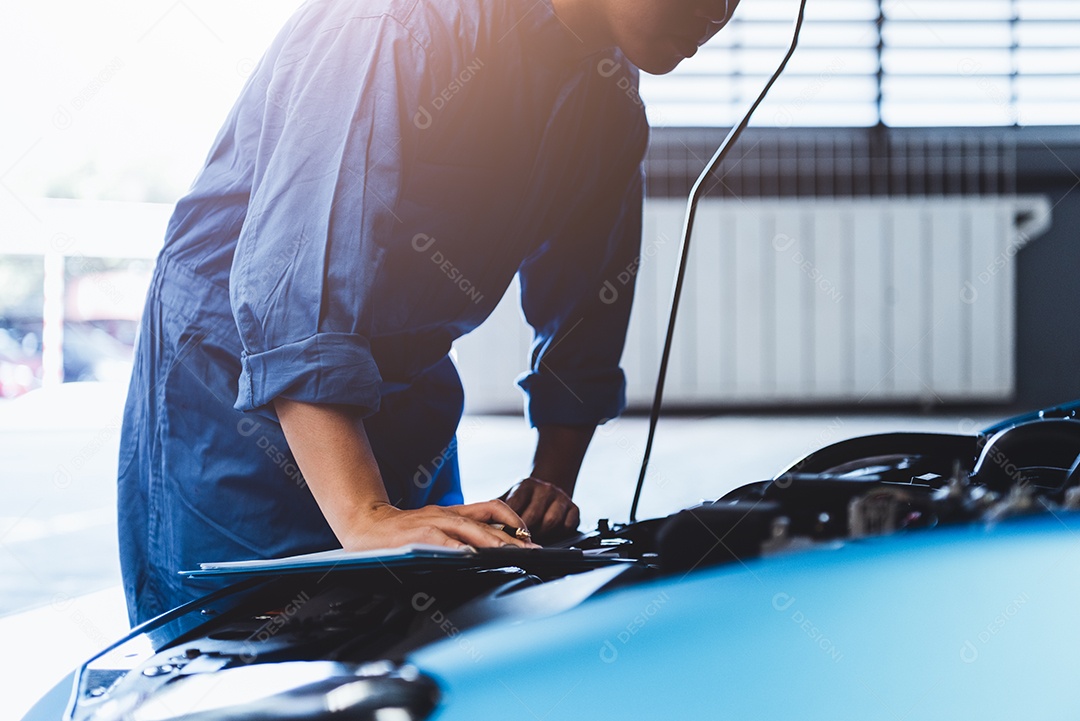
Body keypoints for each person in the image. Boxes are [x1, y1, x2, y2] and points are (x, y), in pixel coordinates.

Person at [118, 0, 737, 625]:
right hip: (235, 402)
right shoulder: (389, 22)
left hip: (409, 389)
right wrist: (366, 516)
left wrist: (550, 484)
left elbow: (588, 313)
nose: (721, 11)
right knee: (248, 660)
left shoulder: (609, 100)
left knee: (423, 641)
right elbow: (298, 289)